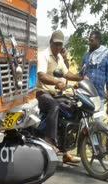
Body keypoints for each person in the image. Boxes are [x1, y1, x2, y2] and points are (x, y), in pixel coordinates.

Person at [37, 30, 83, 163]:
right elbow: (42, 75)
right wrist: (57, 82)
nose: (58, 47)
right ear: (50, 42)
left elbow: (66, 73)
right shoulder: (44, 55)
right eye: (56, 44)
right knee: (54, 106)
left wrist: (80, 78)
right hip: (41, 93)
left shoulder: (59, 57)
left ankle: (65, 151)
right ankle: (49, 140)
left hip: (54, 94)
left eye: (60, 45)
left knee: (71, 107)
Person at [81, 31, 108, 116]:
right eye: (89, 40)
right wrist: (83, 77)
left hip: (99, 95)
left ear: (98, 41)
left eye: (91, 40)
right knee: (86, 121)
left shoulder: (105, 56)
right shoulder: (86, 56)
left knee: (98, 121)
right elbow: (80, 74)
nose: (89, 43)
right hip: (86, 95)